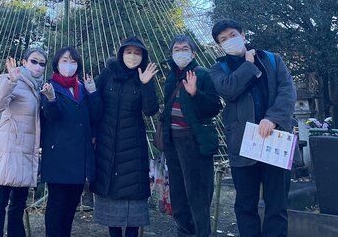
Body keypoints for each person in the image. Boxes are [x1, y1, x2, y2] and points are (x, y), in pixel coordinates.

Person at [209, 19, 296, 237]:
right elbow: (229, 90)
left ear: (243, 34)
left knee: (277, 204)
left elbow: (287, 91)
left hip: (274, 138)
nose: (229, 41)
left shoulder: (272, 59)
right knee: (245, 205)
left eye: (232, 35)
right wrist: (248, 65)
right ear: (220, 45)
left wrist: (273, 118)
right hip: (242, 142)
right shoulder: (218, 69)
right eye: (223, 39)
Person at [91, 36, 159, 237]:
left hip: (133, 145)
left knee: (134, 197)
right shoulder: (107, 75)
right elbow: (96, 108)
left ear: (143, 56)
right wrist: (94, 135)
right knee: (109, 194)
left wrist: (145, 84)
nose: (132, 56)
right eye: (128, 52)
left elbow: (150, 110)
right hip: (107, 143)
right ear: (121, 54)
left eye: (137, 53)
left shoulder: (144, 76)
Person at [160, 35, 221, 237]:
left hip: (194, 141)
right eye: (176, 49)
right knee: (178, 194)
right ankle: (183, 233)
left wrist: (196, 93)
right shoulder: (171, 76)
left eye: (184, 48)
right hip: (172, 142)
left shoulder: (203, 74)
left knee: (198, 195)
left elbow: (214, 107)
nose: (180, 52)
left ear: (193, 53)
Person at [40, 46, 103, 237]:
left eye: (73, 61)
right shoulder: (50, 87)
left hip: (79, 158)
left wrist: (93, 92)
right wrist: (51, 100)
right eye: (65, 61)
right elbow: (51, 117)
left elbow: (97, 115)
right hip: (59, 157)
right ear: (57, 64)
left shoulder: (82, 88)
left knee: (71, 205)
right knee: (57, 205)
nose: (69, 65)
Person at [0, 47, 48, 237]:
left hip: (27, 151)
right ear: (24, 62)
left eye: (42, 63)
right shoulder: (14, 81)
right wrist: (11, 81)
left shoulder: (39, 88)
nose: (38, 66)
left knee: (18, 205)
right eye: (34, 61)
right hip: (9, 149)